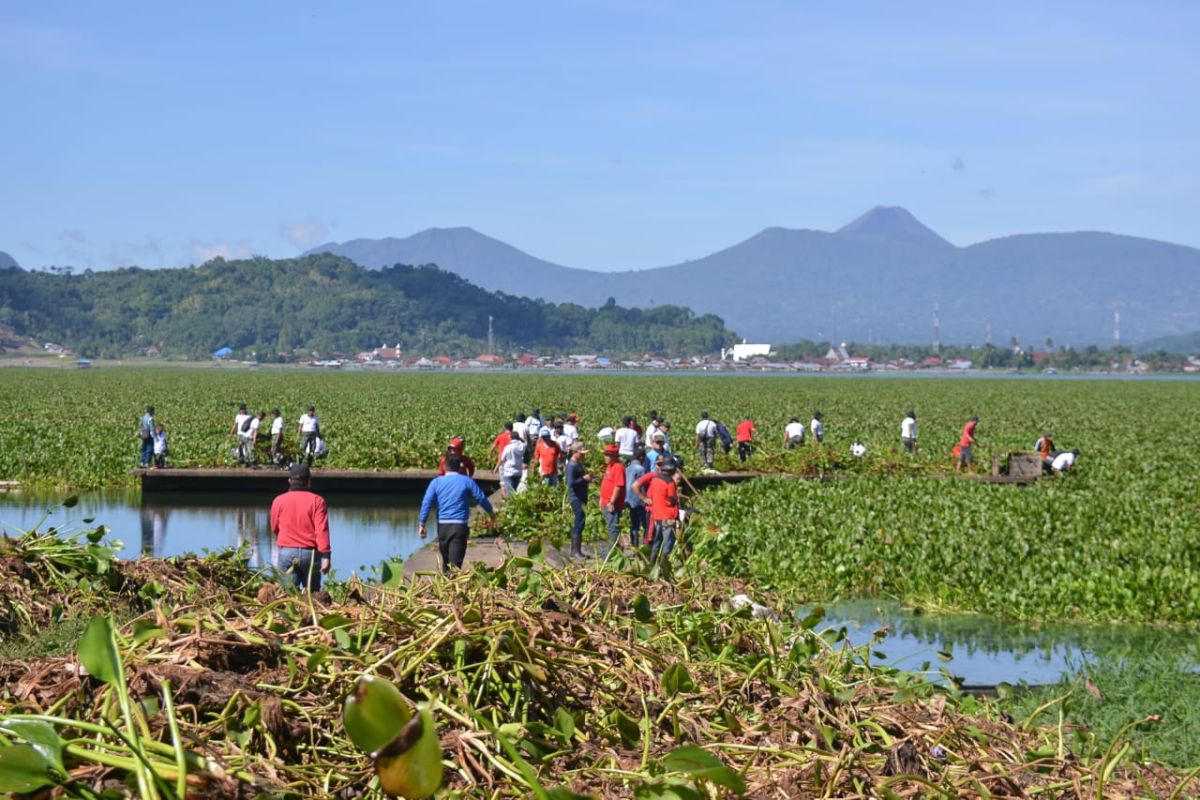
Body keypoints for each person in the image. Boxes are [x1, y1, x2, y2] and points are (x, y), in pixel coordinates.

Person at [418, 454, 495, 573]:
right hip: (459, 526)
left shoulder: (436, 482)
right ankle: (450, 587)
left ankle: (445, 585)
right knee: (455, 565)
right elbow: (480, 497)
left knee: (446, 561)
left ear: (444, 466)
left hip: (442, 527)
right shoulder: (466, 481)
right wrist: (491, 513)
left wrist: (422, 523)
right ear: (459, 467)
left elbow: (427, 502)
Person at [270, 464, 331, 591]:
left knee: (287, 595)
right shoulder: (317, 501)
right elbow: (321, 530)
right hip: (311, 554)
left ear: (289, 481)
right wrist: (326, 556)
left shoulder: (278, 500)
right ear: (308, 482)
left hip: (287, 552)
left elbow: (274, 527)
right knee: (313, 596)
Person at [633, 454, 682, 561]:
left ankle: (652, 562)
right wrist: (677, 519)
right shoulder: (670, 483)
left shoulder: (655, 480)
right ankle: (664, 565)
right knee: (668, 543)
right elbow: (672, 501)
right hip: (668, 516)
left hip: (657, 515)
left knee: (657, 541)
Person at [564, 442, 592, 557]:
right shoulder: (571, 465)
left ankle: (577, 551)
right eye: (582, 453)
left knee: (581, 521)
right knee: (579, 521)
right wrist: (583, 479)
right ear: (576, 453)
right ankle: (575, 551)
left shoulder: (578, 464)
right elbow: (571, 483)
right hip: (576, 498)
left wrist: (587, 479)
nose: (583, 456)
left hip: (581, 496)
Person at [598, 444, 627, 552]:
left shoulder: (618, 467)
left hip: (612, 504)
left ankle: (612, 553)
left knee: (613, 528)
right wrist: (602, 498)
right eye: (605, 454)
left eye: (608, 455)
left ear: (615, 456)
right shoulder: (610, 466)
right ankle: (616, 550)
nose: (605, 457)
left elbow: (618, 486)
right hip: (606, 502)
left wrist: (611, 502)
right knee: (610, 526)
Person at [625, 446, 649, 548]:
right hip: (638, 500)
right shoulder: (641, 469)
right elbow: (641, 485)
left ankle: (634, 547)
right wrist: (645, 498)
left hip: (628, 499)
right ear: (641, 457)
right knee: (645, 524)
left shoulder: (627, 468)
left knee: (634, 524)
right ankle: (645, 546)